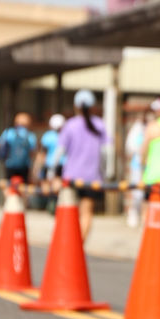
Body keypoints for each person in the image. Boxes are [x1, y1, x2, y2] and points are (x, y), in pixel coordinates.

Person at [52, 89, 109, 241]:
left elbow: (59, 152)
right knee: (86, 213)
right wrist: (105, 173)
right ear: (93, 107)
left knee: (68, 212)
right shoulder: (99, 125)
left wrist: (52, 173)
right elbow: (105, 153)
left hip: (71, 177)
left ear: (76, 106)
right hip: (92, 177)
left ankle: (69, 245)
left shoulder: (70, 125)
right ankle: (79, 245)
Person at [0, 112, 37, 186]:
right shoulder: (30, 135)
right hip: (24, 167)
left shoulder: (8, 132)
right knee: (23, 187)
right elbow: (32, 152)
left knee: (9, 186)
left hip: (9, 165)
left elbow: (0, 144)